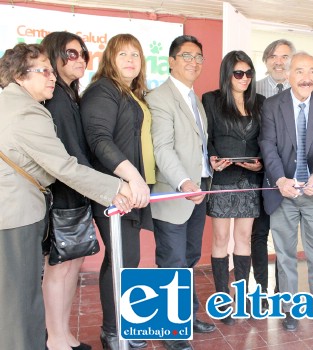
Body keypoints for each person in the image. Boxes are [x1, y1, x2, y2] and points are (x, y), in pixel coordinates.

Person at [0, 42, 133, 350]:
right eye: (43, 71)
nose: (51, 77)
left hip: (15, 211)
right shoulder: (26, 112)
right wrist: (116, 188)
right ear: (20, 75)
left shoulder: (12, 103)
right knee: (22, 303)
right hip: (15, 214)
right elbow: (64, 167)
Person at [80, 34, 154, 350]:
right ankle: (113, 330)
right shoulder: (103, 90)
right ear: (110, 57)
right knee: (122, 260)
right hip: (114, 191)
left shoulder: (130, 92)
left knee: (126, 258)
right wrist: (132, 179)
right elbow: (99, 140)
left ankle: (119, 325)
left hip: (130, 191)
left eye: (135, 54)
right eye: (122, 53)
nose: (130, 59)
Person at [259, 52, 313, 332]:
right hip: (283, 192)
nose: (307, 78)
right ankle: (289, 310)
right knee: (285, 255)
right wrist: (280, 179)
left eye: (312, 71)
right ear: (289, 74)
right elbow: (267, 144)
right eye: (301, 71)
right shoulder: (271, 106)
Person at [147, 35, 215, 350]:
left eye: (198, 56)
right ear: (171, 60)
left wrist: (208, 164)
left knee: (188, 258)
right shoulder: (160, 97)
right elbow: (162, 148)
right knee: (172, 260)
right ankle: (168, 329)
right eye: (186, 55)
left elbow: (194, 146)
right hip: (176, 193)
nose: (194, 62)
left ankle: (185, 316)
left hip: (198, 191)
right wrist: (184, 182)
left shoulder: (194, 98)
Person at [40, 31, 97, 350]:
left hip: (76, 193)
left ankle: (63, 334)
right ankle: (56, 338)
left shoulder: (71, 95)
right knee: (59, 268)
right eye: (71, 53)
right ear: (53, 56)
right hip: (63, 194)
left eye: (83, 53)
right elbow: (72, 155)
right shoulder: (58, 99)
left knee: (71, 266)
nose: (80, 59)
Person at [203, 50, 265, 325]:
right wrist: (212, 159)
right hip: (223, 178)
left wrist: (260, 164)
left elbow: (265, 139)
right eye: (238, 73)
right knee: (220, 239)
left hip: (250, 179)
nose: (244, 78)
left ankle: (240, 296)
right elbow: (207, 138)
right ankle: (221, 297)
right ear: (227, 74)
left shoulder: (260, 102)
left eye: (249, 73)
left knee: (243, 238)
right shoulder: (211, 100)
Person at [253, 39, 295, 303]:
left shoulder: (302, 90)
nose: (279, 61)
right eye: (274, 56)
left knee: (285, 237)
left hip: (288, 178)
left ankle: (283, 292)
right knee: (259, 234)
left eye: (285, 57)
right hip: (256, 174)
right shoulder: (252, 90)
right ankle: (260, 291)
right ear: (266, 60)